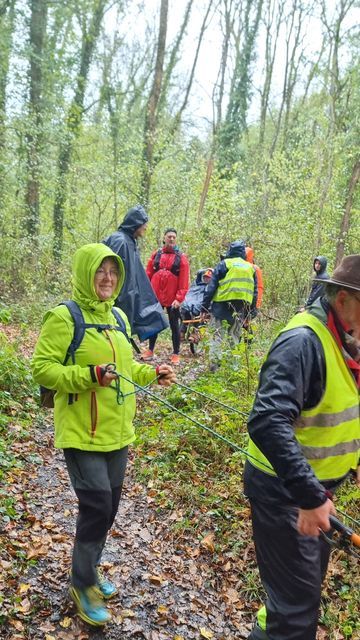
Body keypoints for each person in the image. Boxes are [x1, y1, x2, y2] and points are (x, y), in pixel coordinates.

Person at [32, 243, 175, 627]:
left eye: (113, 272)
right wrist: (89, 376)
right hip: (81, 432)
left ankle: (89, 571)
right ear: (85, 273)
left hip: (118, 433)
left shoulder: (119, 319)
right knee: (95, 507)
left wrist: (153, 373)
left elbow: (125, 369)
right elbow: (43, 370)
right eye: (100, 271)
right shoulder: (65, 317)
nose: (108, 278)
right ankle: (82, 584)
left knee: (107, 510)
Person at [245, 254, 360, 640]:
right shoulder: (303, 341)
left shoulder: (346, 338)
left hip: (314, 492)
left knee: (296, 599)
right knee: (297, 614)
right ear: (342, 299)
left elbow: (334, 408)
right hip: (285, 493)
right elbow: (267, 420)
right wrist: (310, 497)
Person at [103, 204, 168, 341]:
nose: (146, 227)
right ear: (136, 223)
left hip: (127, 300)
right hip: (117, 302)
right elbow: (109, 275)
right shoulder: (120, 241)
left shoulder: (129, 242)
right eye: (144, 224)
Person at [202, 240, 257, 370]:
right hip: (239, 310)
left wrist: (204, 307)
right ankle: (234, 369)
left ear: (229, 251)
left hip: (220, 308)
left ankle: (214, 368)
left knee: (217, 338)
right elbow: (254, 293)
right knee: (235, 339)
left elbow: (211, 288)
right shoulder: (250, 268)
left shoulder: (224, 264)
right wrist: (250, 313)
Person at [144, 228, 190, 365]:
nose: (171, 239)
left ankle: (176, 353)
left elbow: (184, 281)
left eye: (174, 237)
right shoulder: (156, 254)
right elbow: (148, 274)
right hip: (156, 296)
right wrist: (146, 294)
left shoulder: (181, 258)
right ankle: (150, 350)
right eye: (169, 236)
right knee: (154, 324)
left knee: (174, 325)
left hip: (172, 299)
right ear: (164, 238)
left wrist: (179, 298)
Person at [180, 268, 213, 337]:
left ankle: (195, 334)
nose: (206, 279)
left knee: (202, 316)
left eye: (208, 278)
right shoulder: (196, 285)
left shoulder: (211, 287)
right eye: (205, 277)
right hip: (189, 306)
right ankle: (182, 332)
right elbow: (190, 295)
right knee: (185, 313)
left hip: (202, 308)